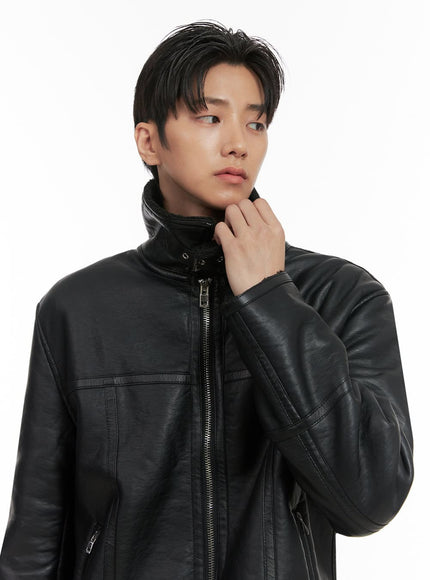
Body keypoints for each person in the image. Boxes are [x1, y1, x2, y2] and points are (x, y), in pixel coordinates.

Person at [0, 21, 413, 580]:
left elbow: (369, 501)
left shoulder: (342, 296)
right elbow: (34, 538)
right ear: (149, 141)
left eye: (256, 122)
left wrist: (269, 298)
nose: (238, 142)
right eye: (210, 117)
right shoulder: (75, 310)